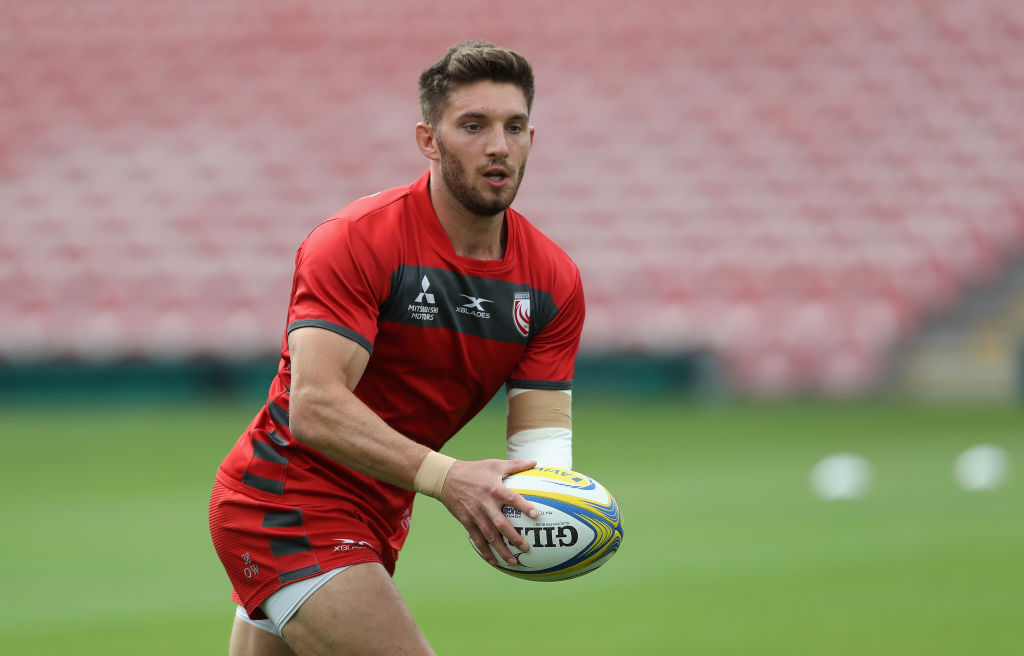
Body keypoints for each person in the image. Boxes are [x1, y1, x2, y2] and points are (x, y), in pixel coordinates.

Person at [209, 40, 585, 655]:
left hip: (381, 511)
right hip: (284, 500)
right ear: (428, 140)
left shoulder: (553, 280)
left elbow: (541, 448)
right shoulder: (357, 240)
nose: (498, 146)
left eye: (514, 127)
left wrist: (550, 516)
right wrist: (450, 478)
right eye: (474, 126)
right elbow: (314, 406)